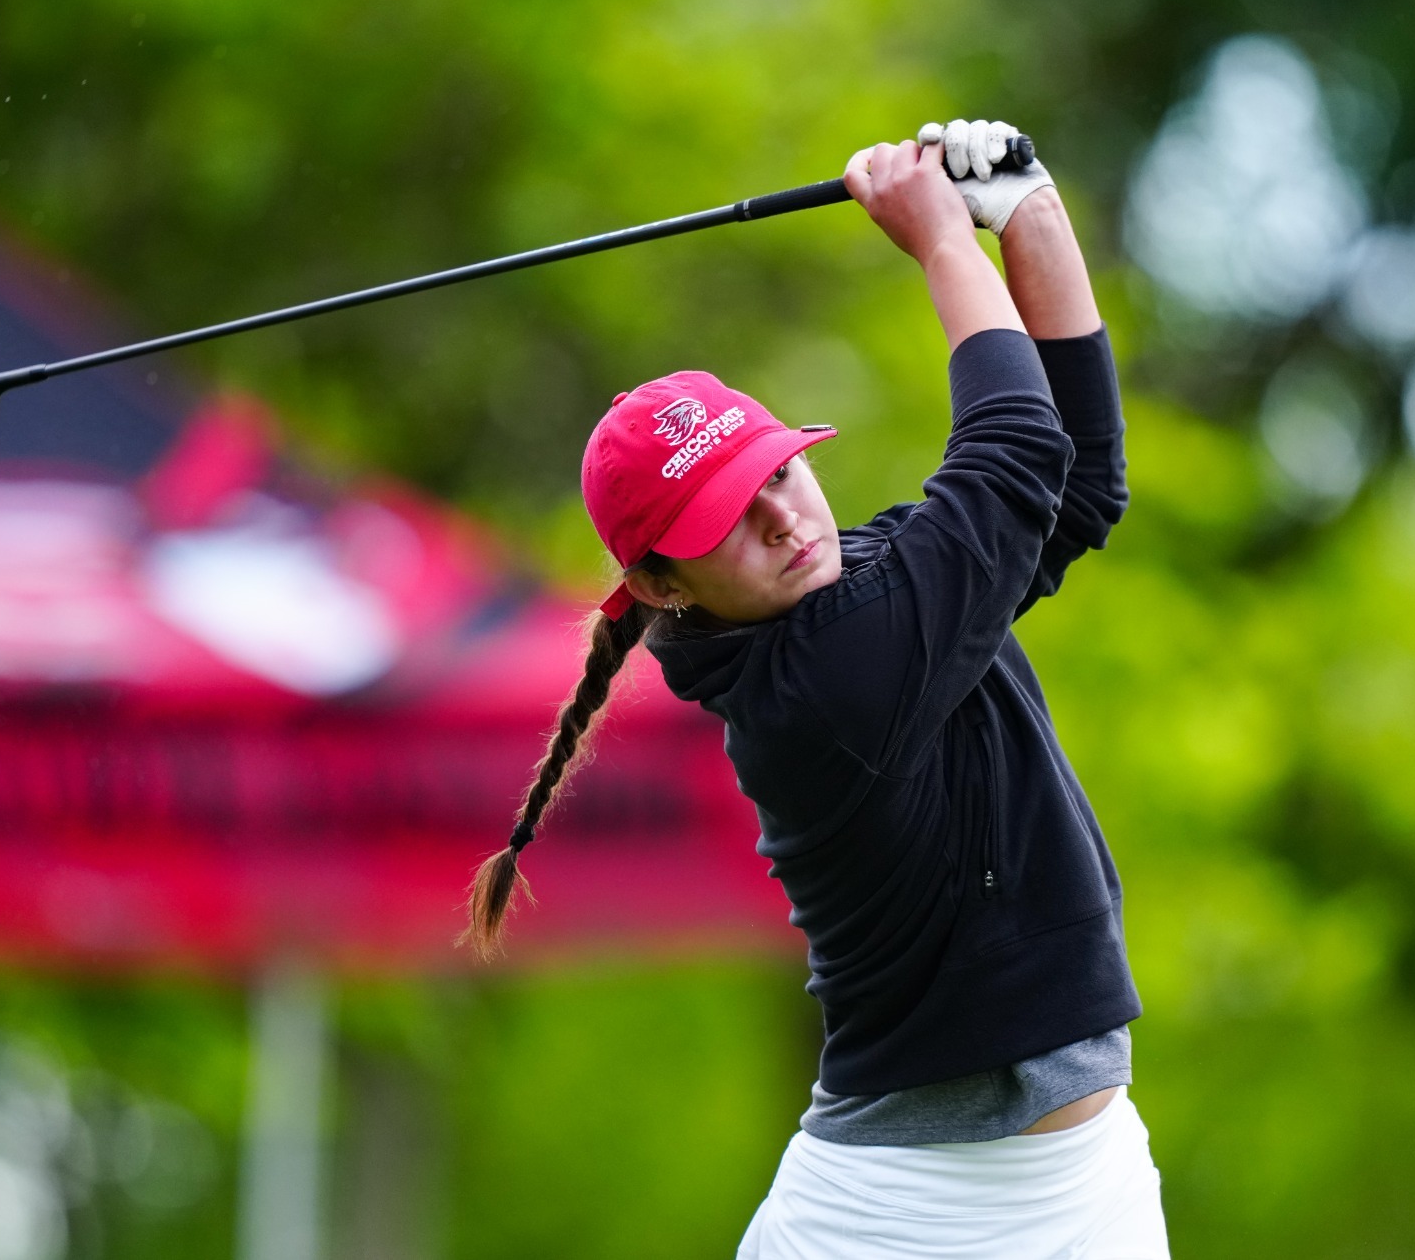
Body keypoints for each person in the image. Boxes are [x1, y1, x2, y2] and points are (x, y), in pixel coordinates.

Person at [463, 119, 1169, 1257]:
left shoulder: (878, 580)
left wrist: (1025, 211)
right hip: (893, 1218)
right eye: (725, 519)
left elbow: (1075, 479)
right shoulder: (818, 690)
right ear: (660, 581)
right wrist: (943, 242)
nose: (785, 516)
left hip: (1078, 1182)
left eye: (778, 472)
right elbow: (1013, 454)